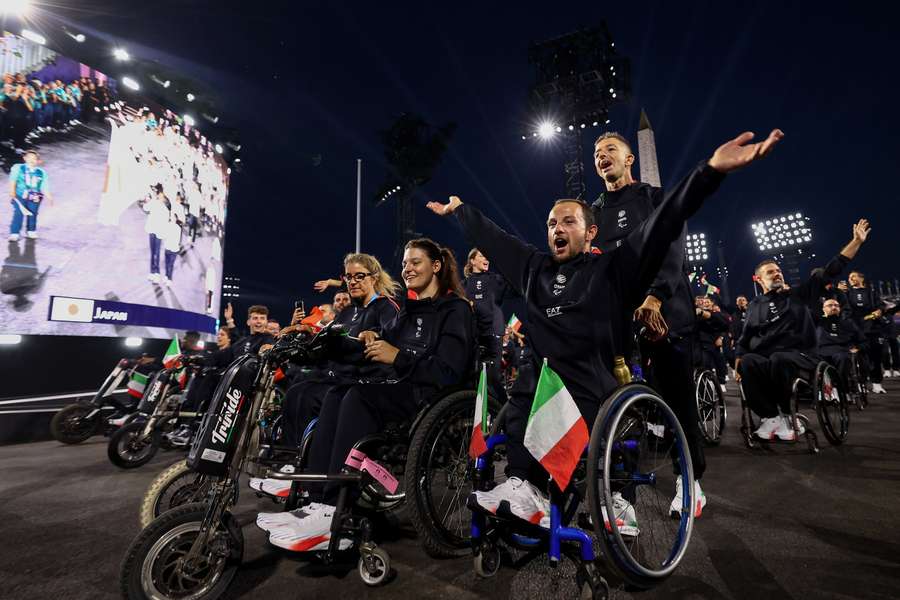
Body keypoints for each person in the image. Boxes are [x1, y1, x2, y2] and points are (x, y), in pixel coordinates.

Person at [428, 129, 783, 531]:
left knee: (663, 391)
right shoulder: (545, 260)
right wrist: (461, 212)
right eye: (551, 223)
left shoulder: (640, 216)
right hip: (596, 335)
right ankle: (528, 485)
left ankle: (683, 478)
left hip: (652, 317)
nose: (557, 228)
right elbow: (499, 242)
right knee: (536, 375)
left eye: (610, 149)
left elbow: (664, 232)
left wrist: (711, 170)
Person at [257, 239, 474, 552]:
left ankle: (335, 511)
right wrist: (371, 337)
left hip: (431, 397)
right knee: (337, 392)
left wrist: (397, 357)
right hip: (401, 387)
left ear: (436, 266)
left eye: (415, 262)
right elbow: (384, 343)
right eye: (405, 263)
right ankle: (318, 499)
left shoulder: (455, 310)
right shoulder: (410, 311)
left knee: (357, 397)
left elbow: (448, 372)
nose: (407, 269)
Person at [591, 131, 709, 517]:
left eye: (610, 149)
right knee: (613, 410)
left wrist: (655, 297)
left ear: (630, 160)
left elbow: (673, 247)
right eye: (596, 153)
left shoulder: (654, 198)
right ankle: (621, 495)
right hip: (618, 324)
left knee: (677, 404)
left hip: (665, 315)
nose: (601, 156)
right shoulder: (591, 213)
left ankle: (689, 481)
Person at [250, 253, 401, 498]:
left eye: (359, 276)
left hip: (366, 380)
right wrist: (300, 338)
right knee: (297, 391)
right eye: (348, 277)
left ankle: (312, 476)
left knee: (311, 396)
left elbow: (387, 341)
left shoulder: (386, 306)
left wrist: (371, 336)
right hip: (338, 376)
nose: (352, 282)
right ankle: (294, 465)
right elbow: (326, 347)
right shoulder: (347, 312)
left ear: (373, 277)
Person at [736, 219, 870, 441]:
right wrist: (738, 358)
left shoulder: (798, 295)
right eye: (771, 272)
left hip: (801, 356)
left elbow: (831, 269)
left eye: (778, 270)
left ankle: (788, 415)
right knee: (749, 361)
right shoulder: (754, 306)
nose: (777, 274)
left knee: (779, 358)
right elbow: (745, 337)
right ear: (759, 280)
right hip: (768, 361)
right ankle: (771, 417)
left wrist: (856, 242)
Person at [464, 247, 510, 402]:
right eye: (482, 255)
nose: (486, 259)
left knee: (493, 378)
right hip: (473, 336)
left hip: (493, 334)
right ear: (472, 260)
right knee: (471, 379)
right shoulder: (463, 285)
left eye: (487, 256)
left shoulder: (495, 280)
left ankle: (504, 411)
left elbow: (512, 286)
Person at [846, 270, 887, 394]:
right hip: (856, 330)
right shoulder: (847, 293)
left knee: (876, 357)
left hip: (873, 329)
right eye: (849, 277)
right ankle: (860, 384)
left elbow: (881, 306)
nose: (851, 279)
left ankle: (877, 383)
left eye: (853, 276)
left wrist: (879, 311)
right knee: (858, 359)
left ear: (861, 278)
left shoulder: (871, 292)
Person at [817, 298, 865, 387]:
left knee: (843, 358)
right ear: (823, 309)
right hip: (821, 351)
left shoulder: (848, 323)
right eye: (830, 305)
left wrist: (857, 348)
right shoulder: (817, 322)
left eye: (836, 305)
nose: (834, 307)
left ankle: (840, 386)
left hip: (841, 350)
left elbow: (861, 340)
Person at [8, 150, 52, 241]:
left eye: (34, 159)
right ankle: (14, 233)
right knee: (18, 213)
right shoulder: (18, 168)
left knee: (33, 213)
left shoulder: (41, 172)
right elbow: (13, 179)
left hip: (35, 196)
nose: (32, 160)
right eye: (29, 158)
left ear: (39, 161)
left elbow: (44, 185)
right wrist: (12, 191)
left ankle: (31, 230)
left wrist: (49, 196)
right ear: (25, 158)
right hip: (20, 195)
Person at [695, 296, 730, 392]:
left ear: (712, 304)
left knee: (720, 362)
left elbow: (725, 327)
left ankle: (721, 382)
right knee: (705, 365)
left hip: (715, 343)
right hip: (703, 345)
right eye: (703, 302)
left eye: (707, 302)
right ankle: (708, 384)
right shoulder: (697, 315)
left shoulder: (716, 314)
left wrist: (721, 338)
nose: (705, 303)